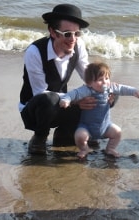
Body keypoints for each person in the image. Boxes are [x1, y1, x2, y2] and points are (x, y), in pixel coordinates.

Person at [19, 4, 99, 154]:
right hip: (35, 110)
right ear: (53, 32)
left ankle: (65, 132)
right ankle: (40, 137)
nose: (73, 39)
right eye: (67, 34)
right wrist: (76, 99)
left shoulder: (78, 45)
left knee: (103, 93)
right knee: (49, 99)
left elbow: (88, 76)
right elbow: (40, 93)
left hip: (63, 105)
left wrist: (105, 89)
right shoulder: (34, 52)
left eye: (77, 34)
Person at [59, 62, 139, 158]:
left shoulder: (110, 87)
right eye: (100, 80)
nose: (104, 82)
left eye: (106, 78)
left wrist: (134, 91)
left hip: (105, 126)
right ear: (89, 83)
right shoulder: (87, 90)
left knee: (117, 132)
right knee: (80, 136)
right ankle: (84, 148)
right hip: (87, 127)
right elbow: (74, 93)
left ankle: (110, 148)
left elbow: (122, 88)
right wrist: (66, 100)